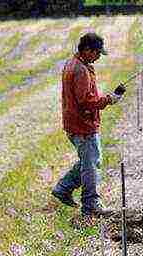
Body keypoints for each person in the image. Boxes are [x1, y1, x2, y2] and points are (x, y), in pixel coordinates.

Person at [52, 33, 126, 217]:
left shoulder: (75, 64)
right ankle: (91, 204)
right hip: (82, 124)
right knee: (91, 164)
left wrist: (107, 98)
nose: (99, 57)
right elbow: (86, 101)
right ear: (86, 50)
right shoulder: (80, 70)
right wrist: (109, 100)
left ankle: (62, 188)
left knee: (90, 161)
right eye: (97, 53)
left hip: (76, 122)